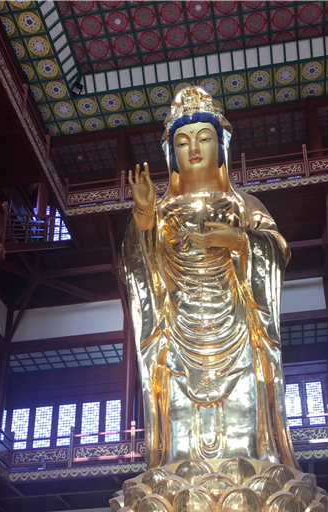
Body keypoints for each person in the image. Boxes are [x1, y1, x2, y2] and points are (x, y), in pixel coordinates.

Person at [121, 85, 298, 470]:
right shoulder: (161, 211)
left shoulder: (244, 204)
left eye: (204, 138)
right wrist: (145, 216)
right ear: (172, 154)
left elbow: (277, 250)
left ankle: (254, 466)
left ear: (221, 146)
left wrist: (238, 240)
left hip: (239, 331)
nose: (194, 149)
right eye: (182, 142)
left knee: (247, 432)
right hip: (178, 335)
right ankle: (175, 472)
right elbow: (140, 270)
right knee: (178, 436)